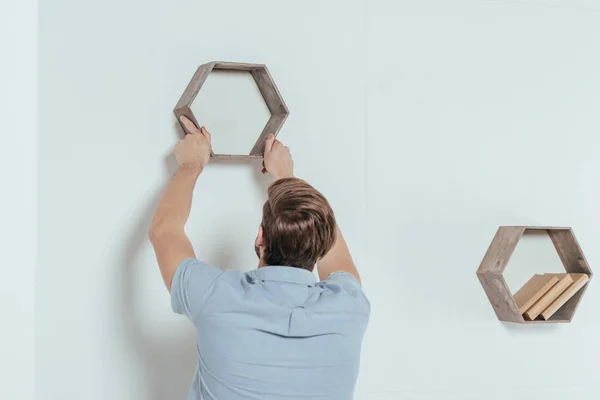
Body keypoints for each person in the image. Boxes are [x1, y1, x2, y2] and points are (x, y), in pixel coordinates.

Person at [149, 116, 370, 400]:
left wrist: (191, 164)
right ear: (321, 243)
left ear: (260, 237)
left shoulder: (215, 297)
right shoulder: (349, 307)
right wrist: (287, 178)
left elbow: (164, 230)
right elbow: (331, 247)